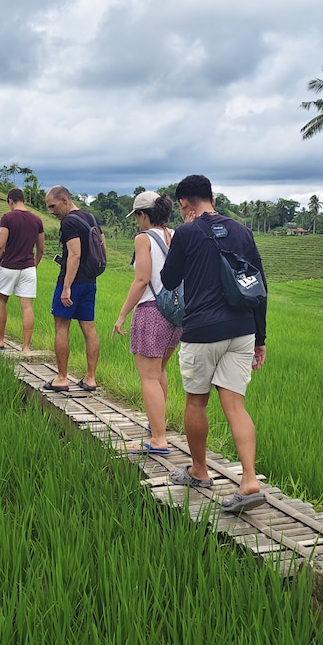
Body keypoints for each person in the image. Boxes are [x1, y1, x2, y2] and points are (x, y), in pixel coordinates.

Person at [160, 174, 267, 514]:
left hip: (203, 330)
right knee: (235, 405)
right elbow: (260, 285)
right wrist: (260, 339)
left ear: (183, 204)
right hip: (242, 328)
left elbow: (169, 280)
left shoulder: (187, 232)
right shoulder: (242, 231)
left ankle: (200, 471)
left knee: (196, 402)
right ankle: (249, 480)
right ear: (212, 198)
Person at [112, 191, 182, 453]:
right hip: (175, 314)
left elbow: (142, 279)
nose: (137, 222)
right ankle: (157, 428)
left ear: (143, 214)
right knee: (159, 372)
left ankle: (158, 439)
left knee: (148, 377)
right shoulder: (176, 235)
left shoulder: (143, 239)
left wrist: (122, 314)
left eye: (137, 216)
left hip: (151, 311)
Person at [45, 185, 104, 392]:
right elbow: (102, 245)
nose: (51, 211)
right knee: (89, 328)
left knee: (61, 326)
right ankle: (90, 378)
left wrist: (67, 287)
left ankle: (62, 378)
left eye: (53, 206)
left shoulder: (69, 222)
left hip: (71, 282)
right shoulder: (91, 218)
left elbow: (75, 254)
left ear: (64, 200)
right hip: (90, 282)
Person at [0, 188, 44, 353]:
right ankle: (26, 347)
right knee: (27, 307)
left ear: (10, 201)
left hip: (9, 266)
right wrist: (34, 264)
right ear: (25, 201)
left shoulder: (7, 217)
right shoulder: (37, 219)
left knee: (1, 301)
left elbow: (0, 245)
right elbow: (40, 248)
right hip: (28, 268)